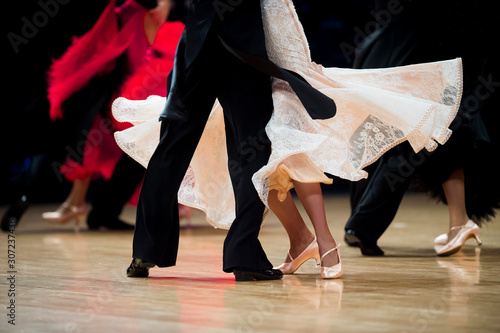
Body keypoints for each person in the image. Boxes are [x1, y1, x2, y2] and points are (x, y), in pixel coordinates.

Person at [115, 0, 462, 279]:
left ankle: (146, 251)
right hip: (244, 45)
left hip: (204, 37)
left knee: (181, 145)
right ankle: (252, 254)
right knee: (252, 147)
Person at [344, 0, 499, 256]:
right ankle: (459, 222)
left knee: (427, 142)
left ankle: (458, 222)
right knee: (432, 141)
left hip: (438, 62)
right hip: (442, 59)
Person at [39, 0, 188, 230]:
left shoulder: (160, 19)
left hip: (146, 89)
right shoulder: (129, 13)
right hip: (124, 91)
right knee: (97, 137)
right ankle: (82, 205)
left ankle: (84, 206)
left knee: (140, 143)